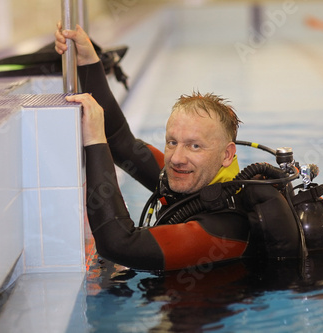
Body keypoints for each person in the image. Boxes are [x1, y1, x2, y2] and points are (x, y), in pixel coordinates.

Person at [55, 22, 301, 271]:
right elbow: (121, 141)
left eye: (195, 146)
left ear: (227, 155)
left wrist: (94, 141)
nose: (176, 158)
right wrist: (88, 60)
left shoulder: (222, 228)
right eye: (172, 142)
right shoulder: (192, 179)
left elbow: (118, 245)